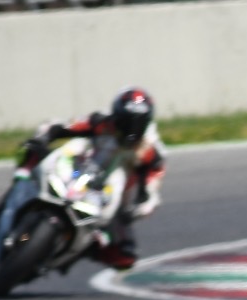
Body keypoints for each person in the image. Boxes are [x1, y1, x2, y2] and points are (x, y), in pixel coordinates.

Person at [10, 88, 165, 270]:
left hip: (106, 192)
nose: (130, 130)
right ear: (117, 116)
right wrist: (43, 138)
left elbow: (152, 186)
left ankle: (79, 249)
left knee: (125, 257)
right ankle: (21, 182)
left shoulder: (151, 150)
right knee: (33, 150)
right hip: (78, 171)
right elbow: (60, 126)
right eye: (126, 122)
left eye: (137, 125)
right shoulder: (101, 121)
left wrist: (143, 203)